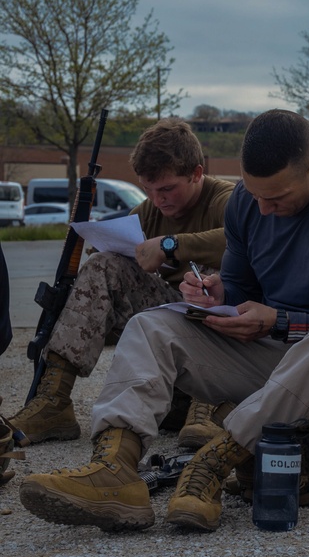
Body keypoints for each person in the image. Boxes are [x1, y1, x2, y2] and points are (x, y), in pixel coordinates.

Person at [19, 109, 309, 533]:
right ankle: (115, 469)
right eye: (256, 195)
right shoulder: (245, 202)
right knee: (150, 326)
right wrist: (217, 294)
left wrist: (277, 322)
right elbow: (242, 290)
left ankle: (215, 460)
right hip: (281, 365)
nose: (262, 210)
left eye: (277, 198)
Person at [8, 119, 234, 448]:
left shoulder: (226, 200)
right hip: (164, 334)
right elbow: (111, 264)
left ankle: (208, 405)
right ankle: (53, 401)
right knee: (102, 266)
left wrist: (169, 245)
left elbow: (244, 238)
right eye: (149, 190)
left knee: (218, 278)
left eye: (168, 189)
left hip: (217, 352)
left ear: (197, 173)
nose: (158, 200)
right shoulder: (147, 211)